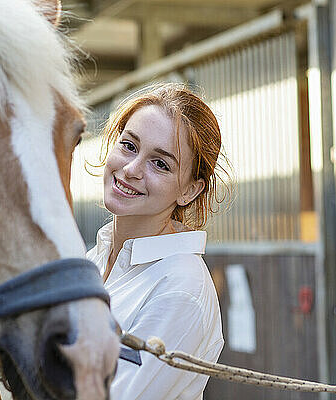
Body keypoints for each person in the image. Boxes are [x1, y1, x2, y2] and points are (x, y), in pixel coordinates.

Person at [86, 83, 232, 400]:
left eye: (160, 163)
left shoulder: (181, 288)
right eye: (128, 145)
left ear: (189, 190)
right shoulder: (93, 260)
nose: (131, 169)